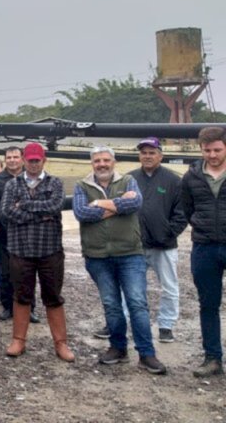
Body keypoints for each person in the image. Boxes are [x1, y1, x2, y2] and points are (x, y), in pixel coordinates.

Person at [73, 146, 166, 374]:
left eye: (106, 160)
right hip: (97, 256)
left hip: (130, 253)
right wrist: (115, 205)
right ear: (92, 164)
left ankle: (146, 353)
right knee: (111, 305)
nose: (102, 164)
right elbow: (81, 213)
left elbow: (134, 204)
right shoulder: (81, 185)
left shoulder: (128, 181)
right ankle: (118, 347)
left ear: (113, 162)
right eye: (97, 161)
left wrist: (97, 203)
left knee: (137, 303)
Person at [0, 142, 74, 362]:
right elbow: (6, 212)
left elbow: (55, 206)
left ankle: (61, 343)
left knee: (53, 296)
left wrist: (23, 205)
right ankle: (18, 340)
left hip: (49, 250)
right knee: (21, 295)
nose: (33, 164)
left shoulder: (56, 183)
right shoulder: (12, 185)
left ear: (44, 160)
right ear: (23, 160)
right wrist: (40, 214)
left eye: (37, 160)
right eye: (30, 160)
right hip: (20, 250)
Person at [128, 137, 186, 344]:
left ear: (160, 155)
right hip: (135, 245)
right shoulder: (130, 179)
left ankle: (166, 325)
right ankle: (126, 322)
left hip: (164, 246)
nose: (147, 156)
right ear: (139, 156)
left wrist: (169, 233)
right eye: (144, 152)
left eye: (152, 152)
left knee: (170, 287)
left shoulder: (173, 180)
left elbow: (182, 212)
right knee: (132, 287)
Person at [182, 126, 226, 377]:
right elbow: (188, 209)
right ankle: (212, 358)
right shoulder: (191, 177)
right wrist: (202, 226)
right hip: (205, 247)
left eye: (217, 150)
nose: (212, 155)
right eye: (207, 150)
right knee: (208, 304)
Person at [0, 147, 24, 320]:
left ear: (22, 159)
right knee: (6, 272)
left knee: (26, 272)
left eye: (15, 157)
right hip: (3, 233)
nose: (12, 160)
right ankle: (8, 306)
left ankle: (27, 308)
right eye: (9, 157)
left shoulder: (30, 178)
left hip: (27, 233)